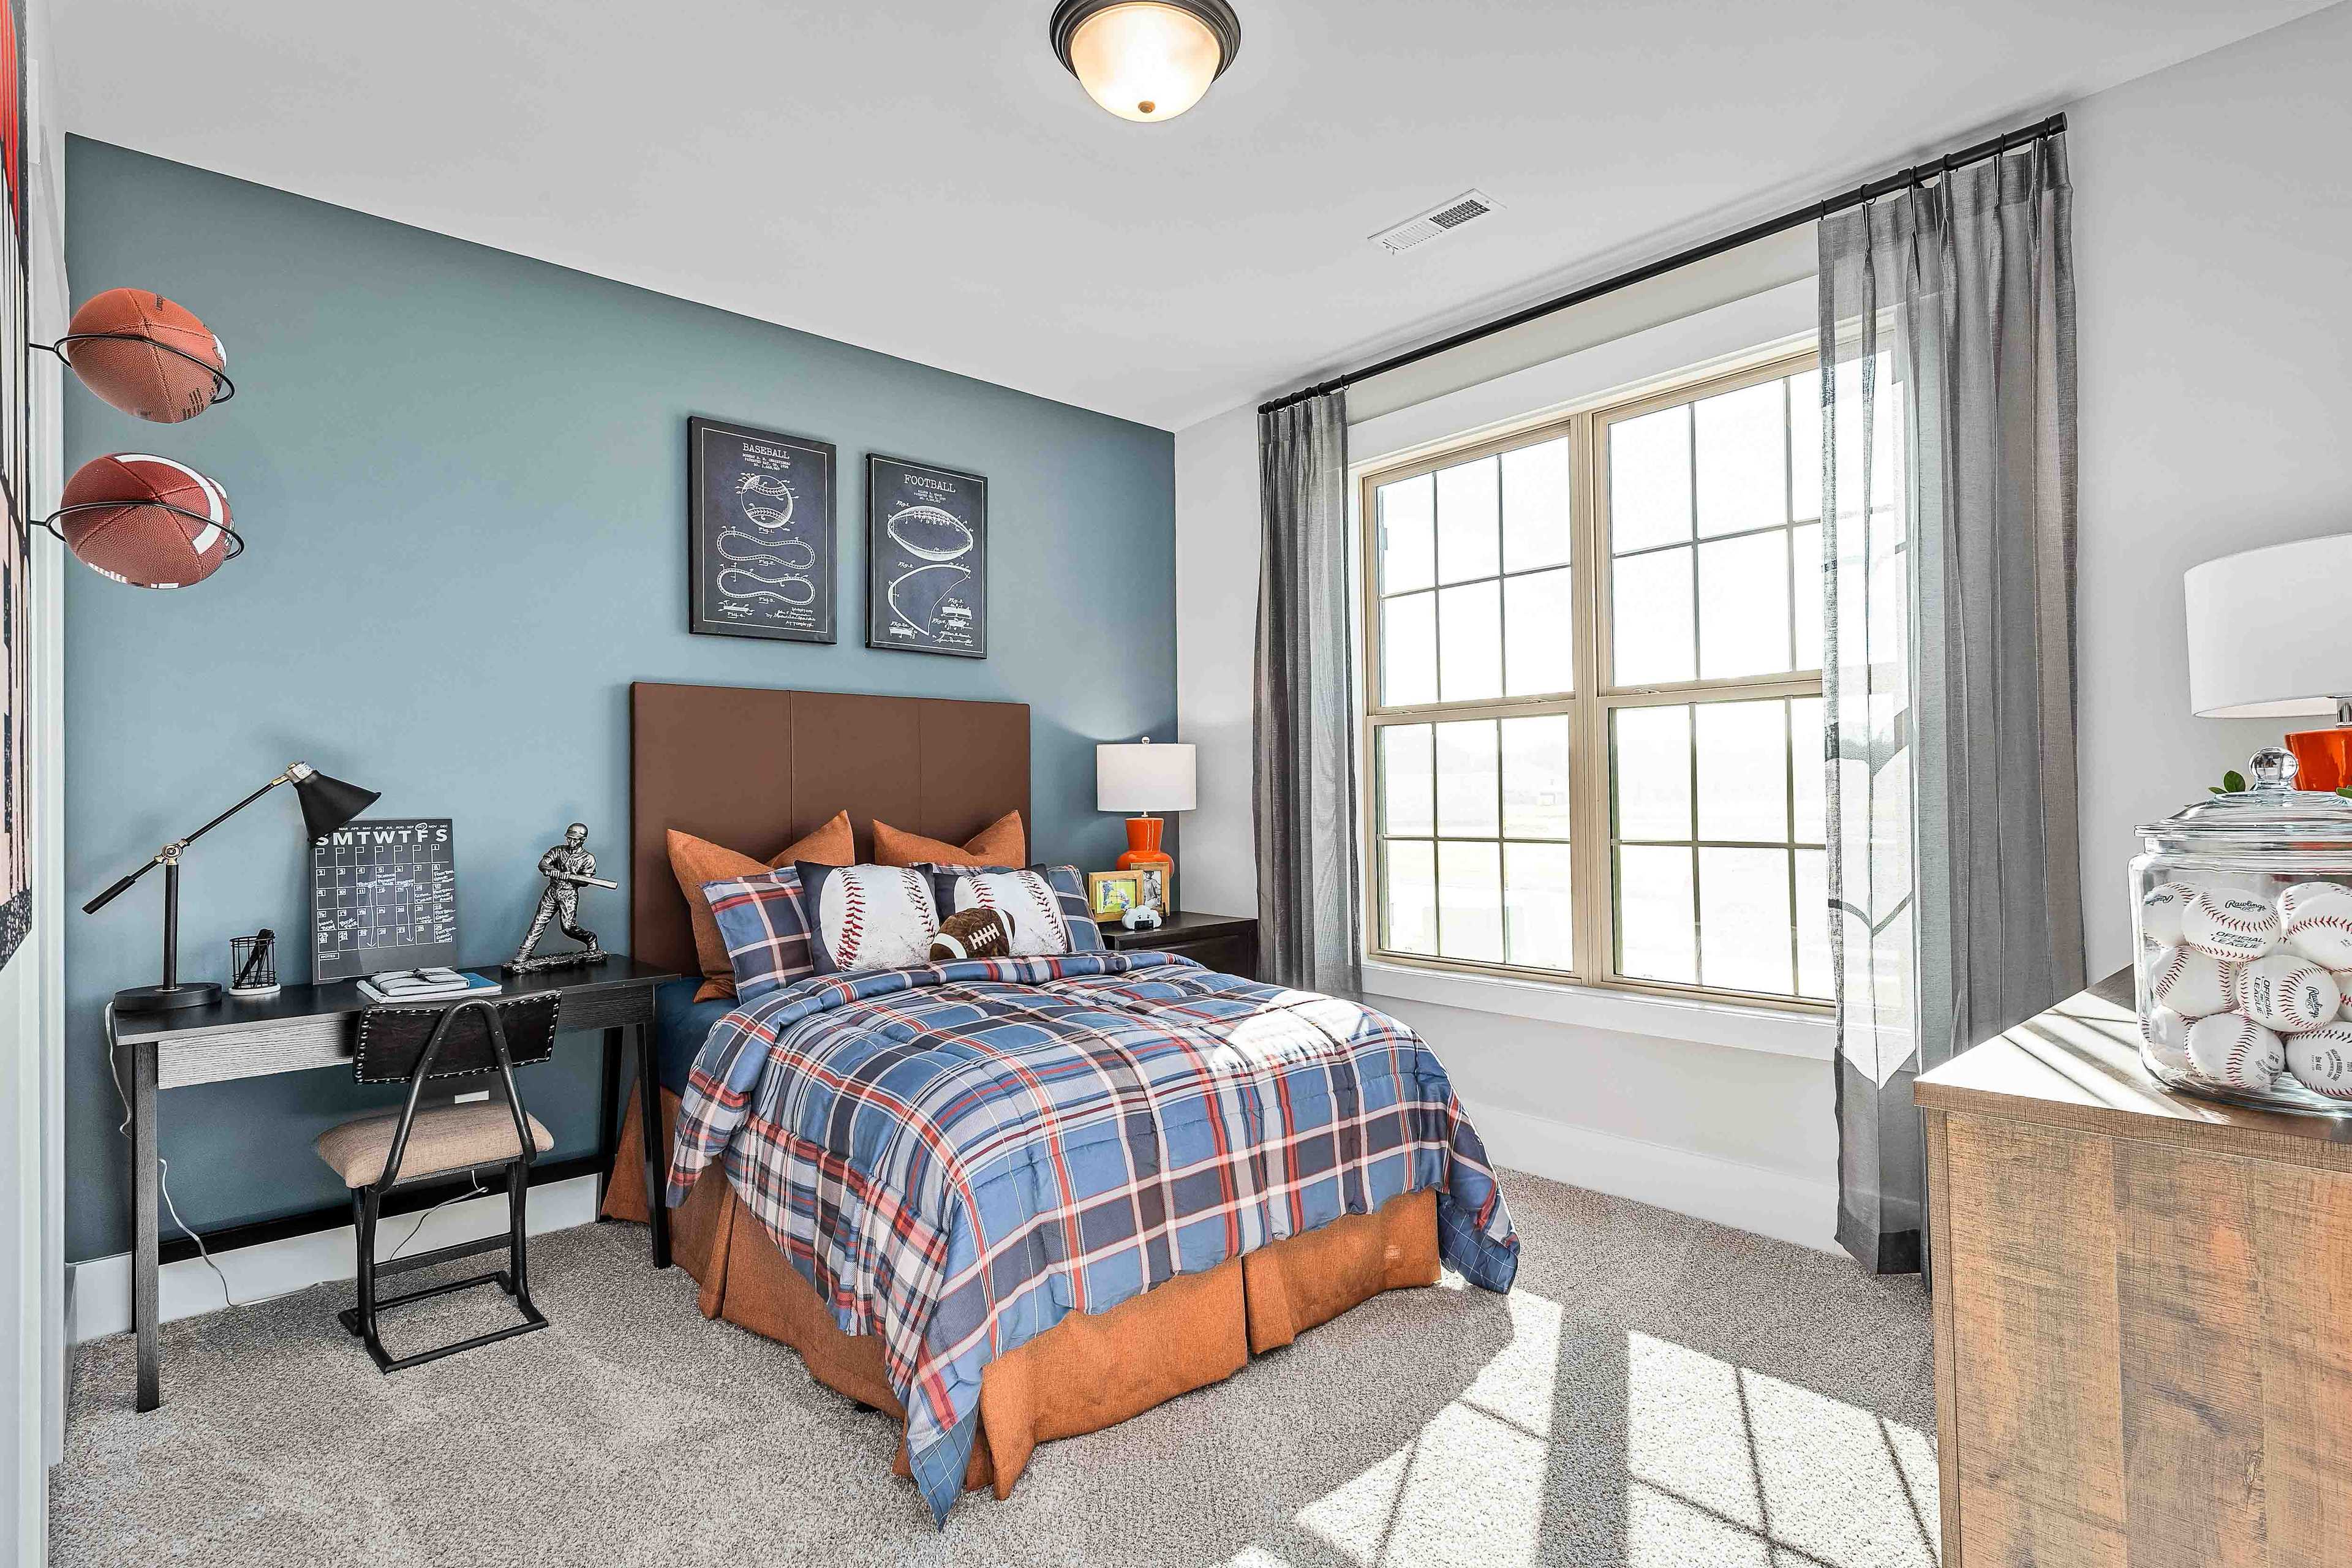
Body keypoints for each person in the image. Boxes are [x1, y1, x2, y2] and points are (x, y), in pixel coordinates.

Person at [512, 823, 602, 967]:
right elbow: (543, 864)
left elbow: (586, 881)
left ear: (583, 840)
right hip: (552, 891)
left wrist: (571, 877)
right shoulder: (558, 851)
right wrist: (550, 869)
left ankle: (591, 938)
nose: (571, 842)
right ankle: (524, 952)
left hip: (569, 894)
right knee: (539, 921)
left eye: (575, 839)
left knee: (568, 928)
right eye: (569, 839)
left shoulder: (588, 858)